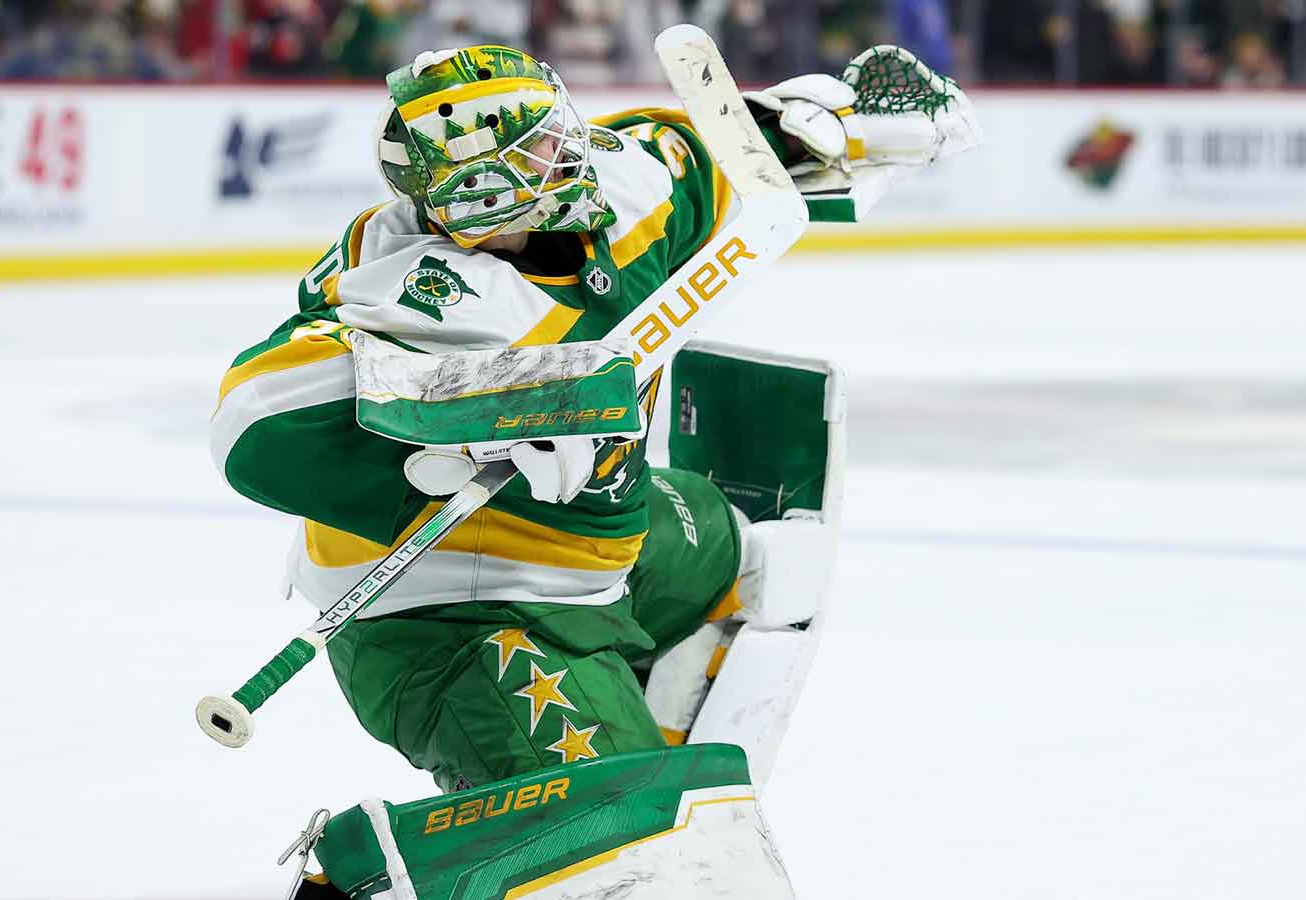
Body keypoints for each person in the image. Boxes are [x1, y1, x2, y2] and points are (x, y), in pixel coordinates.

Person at [209, 42, 977, 898]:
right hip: (453, 620)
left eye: (555, 128)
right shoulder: (404, 286)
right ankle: (369, 878)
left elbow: (736, 156)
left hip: (610, 538)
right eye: (537, 150)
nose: (569, 151)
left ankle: (633, 696)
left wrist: (836, 128)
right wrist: (494, 402)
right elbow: (253, 419)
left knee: (765, 558)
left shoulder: (624, 181)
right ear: (480, 191)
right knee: (650, 857)